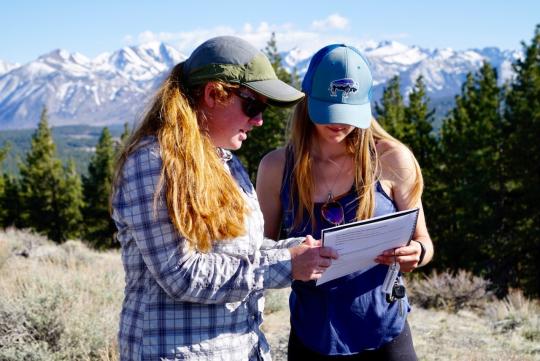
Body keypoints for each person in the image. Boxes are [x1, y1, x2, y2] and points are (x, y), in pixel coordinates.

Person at [110, 36, 338, 361]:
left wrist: (301, 249)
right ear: (213, 94)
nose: (259, 120)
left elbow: (243, 251)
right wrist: (288, 266)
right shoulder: (153, 163)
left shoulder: (225, 161)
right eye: (253, 106)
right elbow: (182, 274)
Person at [256, 44, 434, 360]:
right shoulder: (276, 168)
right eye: (329, 111)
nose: (339, 124)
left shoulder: (392, 160)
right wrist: (292, 260)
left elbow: (424, 242)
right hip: (313, 335)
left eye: (349, 113)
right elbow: (258, 253)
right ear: (307, 100)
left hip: (386, 333)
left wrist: (415, 254)